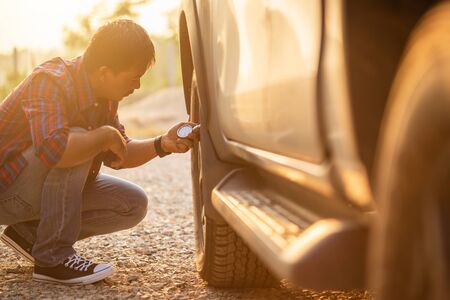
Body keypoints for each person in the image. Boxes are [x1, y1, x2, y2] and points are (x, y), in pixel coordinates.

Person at [0, 19, 199, 285]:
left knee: (132, 204)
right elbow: (56, 152)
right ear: (105, 72)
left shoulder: (103, 97)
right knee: (79, 139)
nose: (137, 86)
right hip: (7, 191)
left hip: (28, 193)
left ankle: (31, 235)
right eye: (134, 77)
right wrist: (103, 136)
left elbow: (121, 152)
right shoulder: (49, 81)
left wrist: (162, 143)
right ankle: (52, 258)